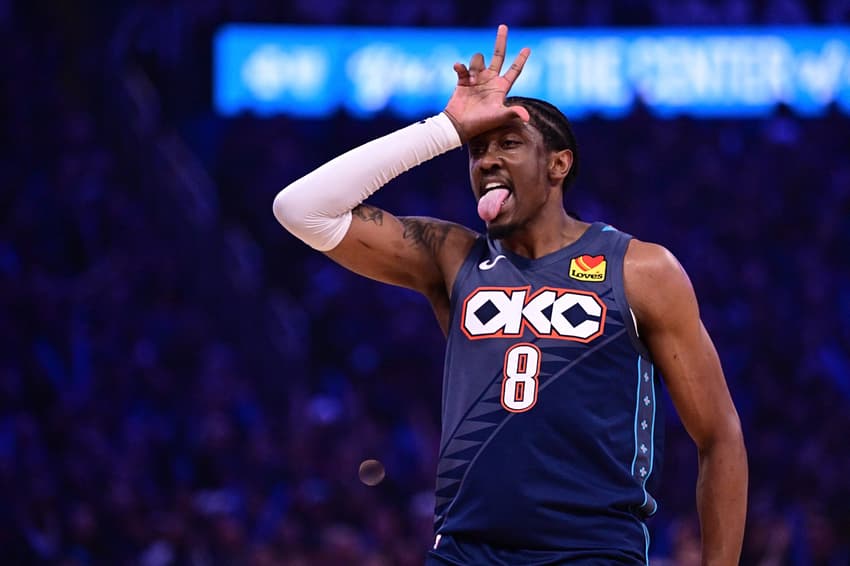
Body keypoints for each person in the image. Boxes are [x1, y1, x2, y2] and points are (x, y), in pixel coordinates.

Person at [273, 25, 747, 565]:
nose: (486, 160)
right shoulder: (453, 258)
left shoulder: (640, 267)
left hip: (591, 551)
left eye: (509, 144)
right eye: (477, 150)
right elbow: (301, 209)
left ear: (558, 165)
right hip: (464, 550)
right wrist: (445, 128)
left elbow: (720, 436)